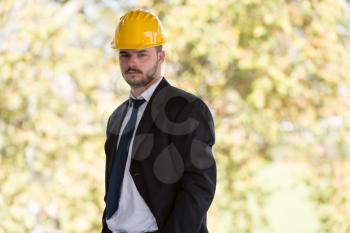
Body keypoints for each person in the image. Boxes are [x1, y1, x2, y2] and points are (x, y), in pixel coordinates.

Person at [102, 9, 216, 233]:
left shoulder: (187, 109)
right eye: (125, 54)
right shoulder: (117, 118)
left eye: (142, 54)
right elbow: (115, 193)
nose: (132, 62)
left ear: (160, 57)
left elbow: (199, 186)